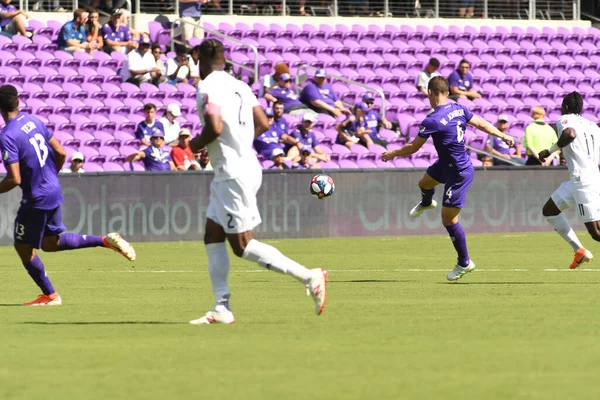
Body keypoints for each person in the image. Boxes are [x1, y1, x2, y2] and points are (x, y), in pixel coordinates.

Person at [188, 38, 327, 324]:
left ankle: (308, 276)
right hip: (247, 164)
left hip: (231, 172)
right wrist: (237, 143)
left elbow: (213, 126)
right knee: (212, 235)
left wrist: (195, 144)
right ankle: (221, 308)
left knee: (242, 245)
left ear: (199, 58)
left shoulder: (206, 86)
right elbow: (263, 123)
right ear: (224, 59)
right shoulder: (240, 85)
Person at [0, 84, 136, 306]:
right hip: (53, 189)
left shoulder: (7, 135)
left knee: (23, 246)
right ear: (18, 102)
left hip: (36, 198)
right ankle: (104, 241)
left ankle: (50, 295)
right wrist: (52, 173)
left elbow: (14, 179)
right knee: (51, 243)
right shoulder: (33, 120)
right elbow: (61, 152)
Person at [381, 76, 514, 281]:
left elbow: (414, 147)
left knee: (448, 219)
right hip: (446, 164)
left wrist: (393, 154)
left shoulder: (432, 120)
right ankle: (426, 203)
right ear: (446, 92)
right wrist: (503, 135)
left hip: (459, 172)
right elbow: (480, 123)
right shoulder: (458, 108)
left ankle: (464, 262)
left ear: (429, 93)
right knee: (424, 183)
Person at [539, 92, 600, 270]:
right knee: (549, 211)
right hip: (581, 178)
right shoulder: (592, 125)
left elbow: (570, 134)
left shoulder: (564, 119)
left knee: (596, 232)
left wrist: (549, 151)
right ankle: (579, 251)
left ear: (565, 107)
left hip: (584, 180)